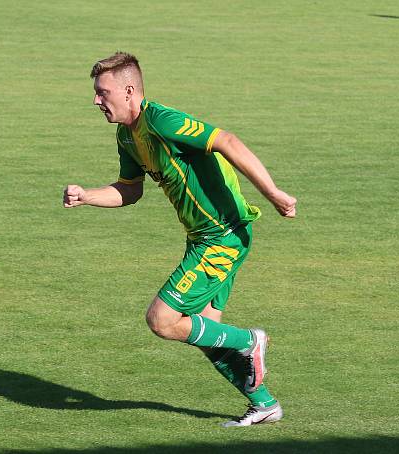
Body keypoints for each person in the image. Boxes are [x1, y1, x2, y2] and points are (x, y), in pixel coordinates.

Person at [63, 52, 297, 427]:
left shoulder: (161, 120)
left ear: (128, 91)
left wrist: (273, 193)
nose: (96, 101)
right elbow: (129, 189)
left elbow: (227, 140)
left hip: (222, 236)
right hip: (202, 238)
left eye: (102, 93)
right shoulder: (127, 136)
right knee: (206, 331)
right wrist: (87, 195)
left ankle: (250, 341)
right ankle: (265, 404)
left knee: (163, 319)